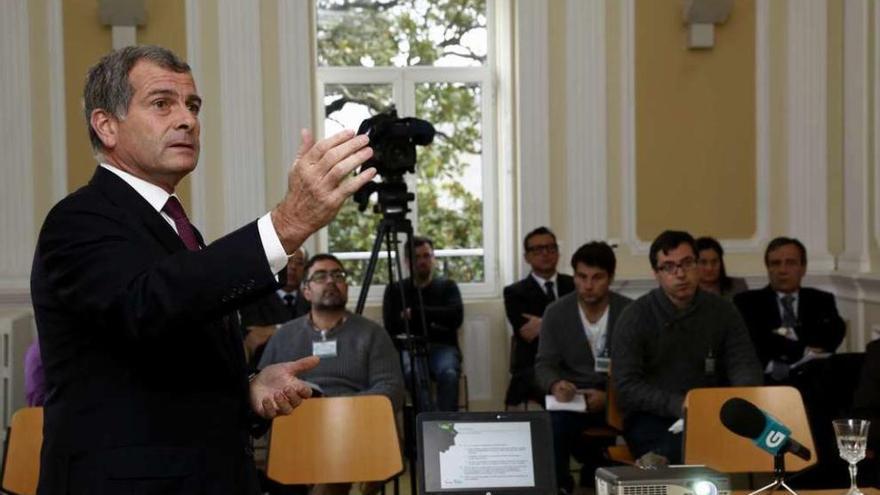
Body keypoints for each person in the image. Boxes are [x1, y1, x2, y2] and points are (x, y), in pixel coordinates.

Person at [29, 45, 375, 495]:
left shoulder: (176, 227)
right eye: (161, 104)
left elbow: (171, 358)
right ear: (107, 125)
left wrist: (248, 390)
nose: (188, 120)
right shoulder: (78, 220)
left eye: (193, 105)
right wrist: (285, 226)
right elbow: (147, 306)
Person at [612, 230, 762, 465]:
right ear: (656, 274)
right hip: (652, 417)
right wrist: (680, 404)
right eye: (669, 267)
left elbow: (744, 365)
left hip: (715, 411)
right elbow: (627, 386)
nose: (680, 274)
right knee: (680, 452)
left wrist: (738, 401)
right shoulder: (635, 316)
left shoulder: (723, 311)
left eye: (687, 263)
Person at [259, 254, 404, 495]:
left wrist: (340, 410)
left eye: (338, 275)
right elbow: (263, 387)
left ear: (346, 286)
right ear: (306, 290)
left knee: (336, 455)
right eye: (320, 276)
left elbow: (391, 388)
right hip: (298, 427)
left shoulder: (372, 334)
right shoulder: (284, 336)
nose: (331, 281)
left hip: (357, 427)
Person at [534, 241, 632, 493]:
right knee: (553, 425)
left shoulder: (629, 312)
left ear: (610, 278)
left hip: (619, 398)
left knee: (644, 421)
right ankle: (561, 486)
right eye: (581, 277)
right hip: (572, 398)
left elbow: (641, 370)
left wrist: (610, 397)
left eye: (597, 277)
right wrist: (556, 384)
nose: (588, 285)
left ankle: (620, 479)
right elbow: (544, 363)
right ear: (574, 276)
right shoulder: (556, 312)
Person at [734, 237, 846, 383]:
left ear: (803, 268)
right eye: (775, 263)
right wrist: (804, 349)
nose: (782, 270)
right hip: (767, 381)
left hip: (813, 380)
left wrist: (783, 333)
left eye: (791, 263)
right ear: (768, 268)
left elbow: (834, 335)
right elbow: (755, 343)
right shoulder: (747, 302)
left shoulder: (821, 300)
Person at [383, 236, 464, 411]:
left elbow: (455, 318)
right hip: (410, 348)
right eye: (416, 257)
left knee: (449, 373)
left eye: (426, 256)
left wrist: (415, 314)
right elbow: (391, 326)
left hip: (443, 347)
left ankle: (448, 424)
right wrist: (434, 318)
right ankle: (428, 424)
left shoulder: (448, 286)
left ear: (433, 258)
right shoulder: (395, 290)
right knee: (413, 374)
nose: (422, 261)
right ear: (406, 261)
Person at [503, 226, 575, 407]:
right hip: (534, 364)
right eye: (538, 250)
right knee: (556, 395)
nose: (545, 254)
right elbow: (528, 334)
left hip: (575, 361)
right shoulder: (514, 292)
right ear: (527, 257)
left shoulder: (575, 285)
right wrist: (568, 324)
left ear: (558, 253)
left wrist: (543, 323)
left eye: (551, 248)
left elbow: (586, 325)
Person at [240, 247, 311, 365]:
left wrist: (275, 329)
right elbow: (254, 337)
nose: (293, 267)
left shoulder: (312, 300)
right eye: (288, 261)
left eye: (299, 263)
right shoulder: (254, 299)